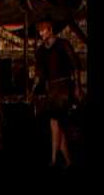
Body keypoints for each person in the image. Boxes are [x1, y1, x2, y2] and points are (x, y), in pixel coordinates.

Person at [29, 18, 82, 169]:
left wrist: (77, 87)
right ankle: (68, 161)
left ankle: (53, 159)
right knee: (57, 126)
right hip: (51, 90)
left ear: (50, 30)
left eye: (43, 30)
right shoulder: (41, 51)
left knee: (54, 122)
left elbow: (75, 66)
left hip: (64, 88)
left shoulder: (63, 44)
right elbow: (38, 74)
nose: (41, 33)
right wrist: (32, 90)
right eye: (39, 31)